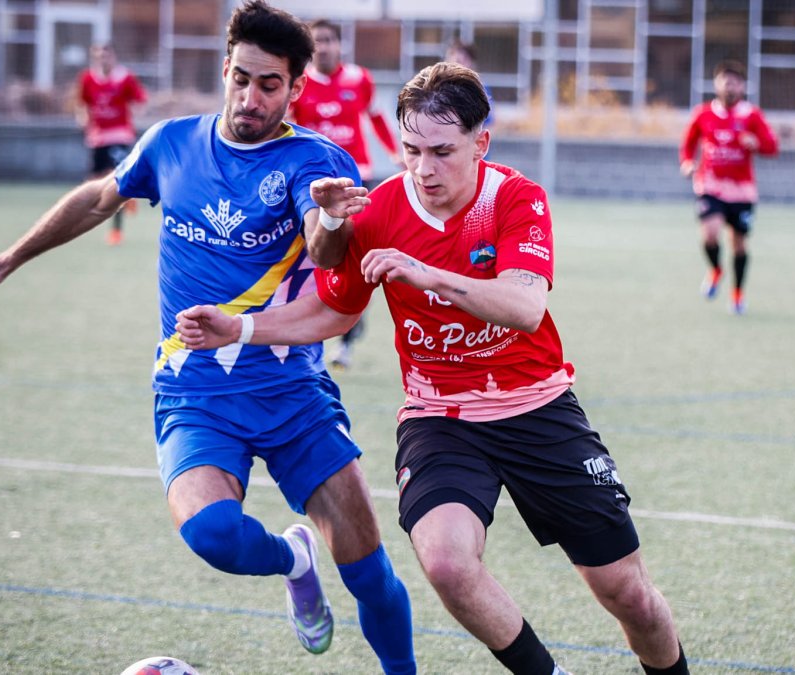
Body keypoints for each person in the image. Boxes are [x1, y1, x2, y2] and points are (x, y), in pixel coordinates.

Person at [177, 62, 689, 675]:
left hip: (537, 406)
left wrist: (430, 275)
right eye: (412, 149)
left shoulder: (514, 198)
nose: (424, 169)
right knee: (445, 561)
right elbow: (332, 311)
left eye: (443, 151)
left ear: (481, 143)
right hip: (441, 416)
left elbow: (525, 306)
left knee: (629, 595)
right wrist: (243, 328)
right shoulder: (382, 210)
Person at [0, 3, 416, 673]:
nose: (251, 97)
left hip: (291, 391)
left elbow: (325, 246)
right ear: (224, 70)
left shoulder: (313, 160)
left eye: (269, 84)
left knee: (369, 571)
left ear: (295, 89)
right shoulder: (171, 144)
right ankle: (293, 558)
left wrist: (334, 220)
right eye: (242, 78)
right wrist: (8, 258)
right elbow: (97, 198)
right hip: (192, 390)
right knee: (214, 534)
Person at [289, 19, 403, 369]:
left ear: (340, 44)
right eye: (317, 42)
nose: (323, 47)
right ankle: (307, 337)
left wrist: (394, 152)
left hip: (356, 180)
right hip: (314, 188)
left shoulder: (360, 79)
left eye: (328, 40)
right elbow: (289, 131)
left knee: (353, 261)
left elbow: (376, 118)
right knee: (311, 258)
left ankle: (347, 342)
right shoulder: (300, 85)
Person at [679, 59, 778, 315]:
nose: (729, 86)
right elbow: (688, 143)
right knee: (709, 234)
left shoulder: (751, 115)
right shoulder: (703, 114)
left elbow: (772, 146)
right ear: (717, 85)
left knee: (739, 244)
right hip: (710, 185)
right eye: (725, 81)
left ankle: (737, 293)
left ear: (742, 87)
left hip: (742, 191)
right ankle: (715, 270)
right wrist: (688, 162)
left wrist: (756, 143)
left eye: (735, 82)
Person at [75, 43, 148, 246]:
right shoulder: (88, 78)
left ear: (113, 57)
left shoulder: (125, 78)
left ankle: (116, 231)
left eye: (106, 56)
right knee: (94, 182)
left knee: (117, 182)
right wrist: (82, 118)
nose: (102, 60)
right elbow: (83, 103)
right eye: (98, 57)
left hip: (119, 137)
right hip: (97, 137)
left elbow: (140, 99)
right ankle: (129, 199)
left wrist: (134, 114)